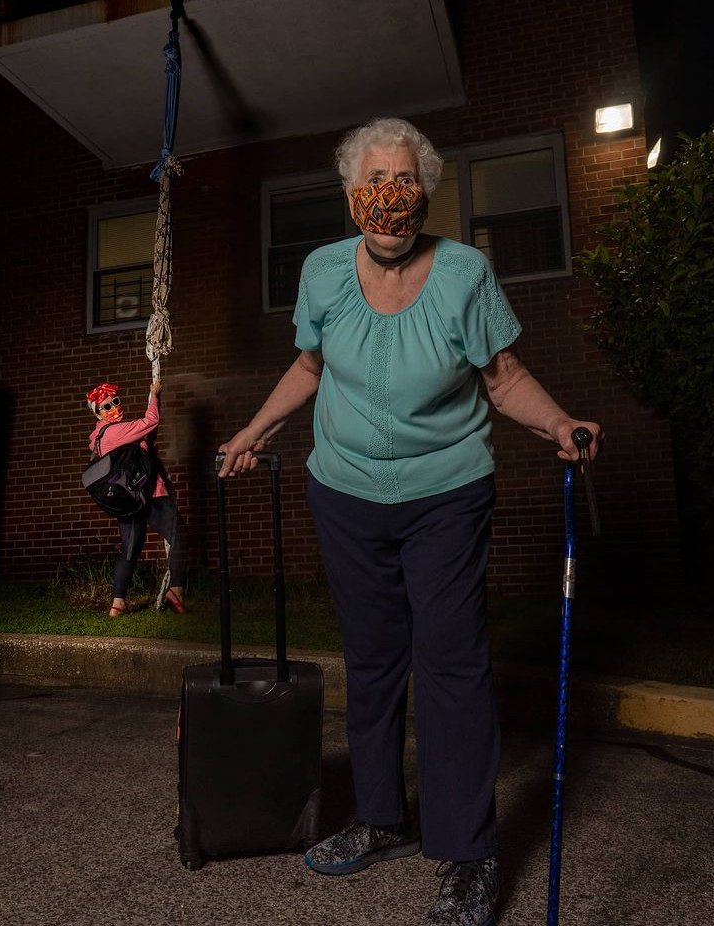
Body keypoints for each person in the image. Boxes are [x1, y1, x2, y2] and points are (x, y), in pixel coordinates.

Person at [218, 117, 603, 926]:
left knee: (453, 667)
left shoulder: (464, 272)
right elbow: (308, 366)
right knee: (374, 662)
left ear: (425, 192)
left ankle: (468, 854)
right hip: (346, 492)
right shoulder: (323, 271)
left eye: (405, 181)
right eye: (373, 181)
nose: (388, 196)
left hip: (445, 494)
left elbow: (503, 378)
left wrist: (560, 423)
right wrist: (255, 431)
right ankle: (382, 819)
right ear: (351, 192)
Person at [86, 380, 188, 618]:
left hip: (127, 502)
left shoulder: (98, 438)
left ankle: (117, 604)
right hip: (150, 495)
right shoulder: (114, 431)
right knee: (179, 534)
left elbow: (145, 436)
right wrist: (154, 395)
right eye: (105, 406)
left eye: (115, 401)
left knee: (130, 551)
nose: (112, 407)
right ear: (97, 412)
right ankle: (176, 590)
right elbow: (150, 421)